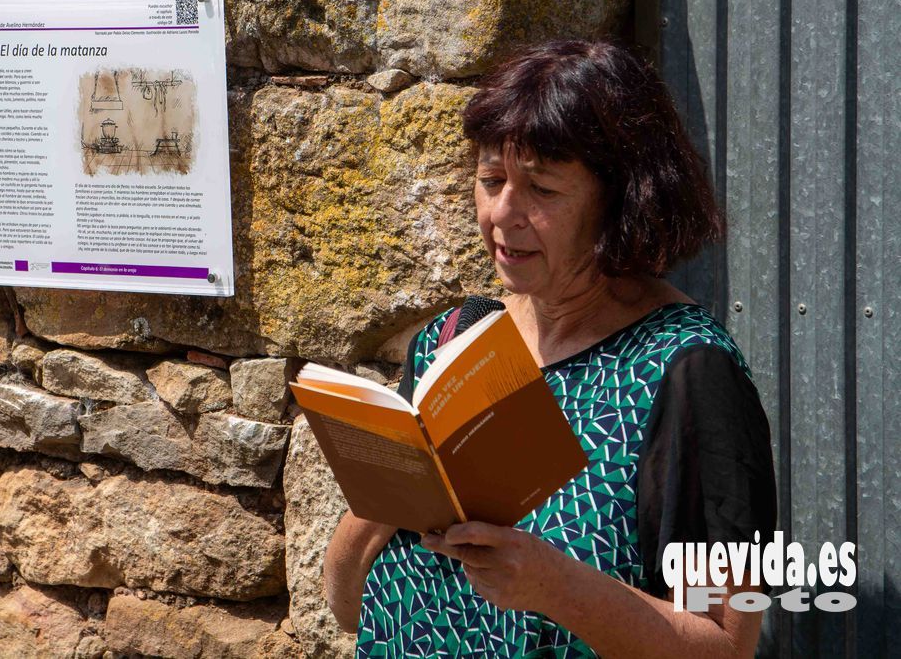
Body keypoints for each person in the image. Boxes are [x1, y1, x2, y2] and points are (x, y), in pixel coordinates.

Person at [323, 40, 777, 657]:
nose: (503, 214)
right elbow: (349, 610)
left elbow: (726, 644)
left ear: (620, 201)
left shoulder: (687, 373)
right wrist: (390, 496)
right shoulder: (456, 339)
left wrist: (555, 586)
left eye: (543, 190)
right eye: (491, 180)